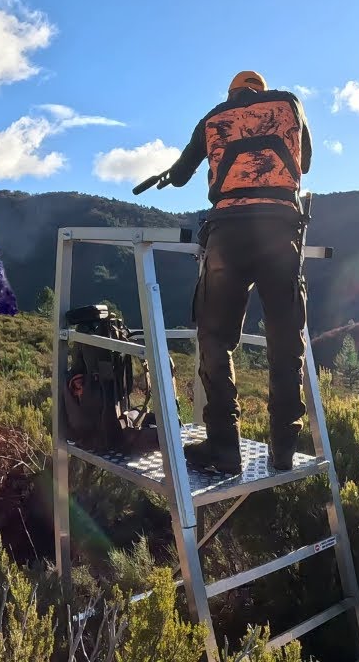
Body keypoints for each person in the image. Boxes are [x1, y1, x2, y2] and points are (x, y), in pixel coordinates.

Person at [140, 70, 313, 475]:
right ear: (261, 89)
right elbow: (304, 161)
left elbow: (182, 175)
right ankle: (284, 449)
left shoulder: (213, 117)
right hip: (280, 229)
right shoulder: (288, 103)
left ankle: (224, 449)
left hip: (227, 233)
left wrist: (170, 173)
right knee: (286, 341)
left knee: (216, 340)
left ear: (232, 92)